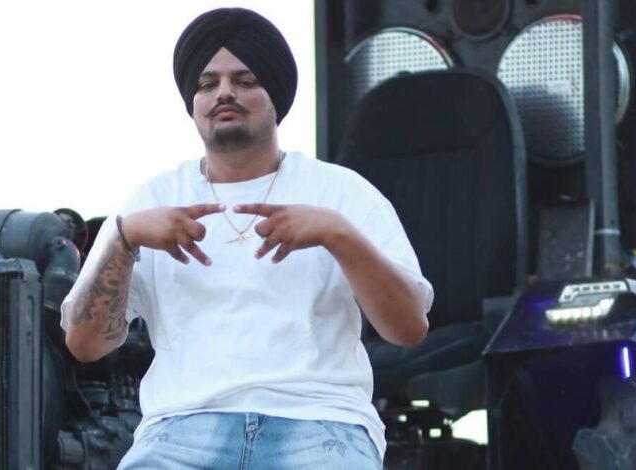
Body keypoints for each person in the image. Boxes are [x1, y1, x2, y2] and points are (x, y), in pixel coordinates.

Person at [60, 7, 433, 469]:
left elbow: (408, 329)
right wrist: (125, 238)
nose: (224, 93)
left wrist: (337, 234)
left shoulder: (342, 192)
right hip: (181, 429)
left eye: (245, 80)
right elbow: (85, 346)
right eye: (207, 83)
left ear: (275, 93)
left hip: (319, 421)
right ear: (192, 102)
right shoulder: (151, 199)